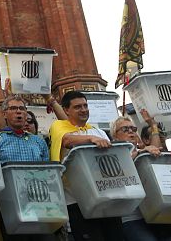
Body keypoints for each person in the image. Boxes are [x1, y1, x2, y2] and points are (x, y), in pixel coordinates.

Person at [48, 90, 123, 241]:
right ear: (66, 110)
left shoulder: (98, 131)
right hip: (78, 202)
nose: (83, 110)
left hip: (107, 198)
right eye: (77, 107)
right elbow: (68, 141)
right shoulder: (58, 127)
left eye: (85, 105)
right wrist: (91, 139)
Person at [109, 116, 171, 241]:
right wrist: (139, 153)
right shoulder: (111, 152)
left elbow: (155, 152)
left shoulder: (142, 151)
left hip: (156, 211)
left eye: (133, 128)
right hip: (131, 216)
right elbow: (116, 169)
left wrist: (153, 125)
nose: (131, 131)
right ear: (115, 136)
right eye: (125, 129)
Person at [0, 95, 53, 241]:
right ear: (4, 114)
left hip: (40, 203)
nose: (18, 112)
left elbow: (47, 172)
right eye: (13, 108)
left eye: (22, 109)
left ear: (26, 113)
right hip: (12, 205)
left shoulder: (38, 141)